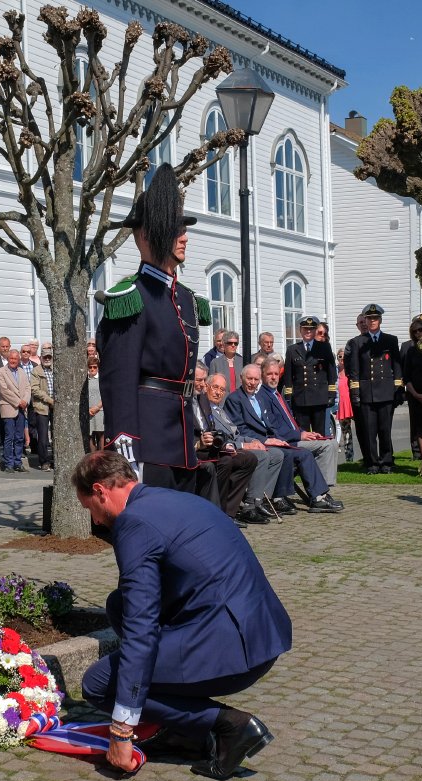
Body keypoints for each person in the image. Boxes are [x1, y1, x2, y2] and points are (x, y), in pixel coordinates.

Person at [74, 451, 291, 780]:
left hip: (231, 648)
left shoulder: (133, 524)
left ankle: (230, 726)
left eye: (90, 508)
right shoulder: (173, 499)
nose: (97, 521)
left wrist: (121, 730)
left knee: (99, 684)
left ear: (101, 491)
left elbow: (142, 628)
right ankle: (181, 727)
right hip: (261, 633)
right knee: (118, 604)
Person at [96, 164, 209, 492]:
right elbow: (119, 380)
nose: (184, 236)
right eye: (175, 230)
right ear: (146, 235)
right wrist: (125, 447)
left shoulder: (185, 298)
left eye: (184, 228)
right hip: (148, 443)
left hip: (183, 439)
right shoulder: (131, 297)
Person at [225, 365, 342, 514]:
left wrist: (279, 438)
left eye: (255, 379)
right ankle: (278, 498)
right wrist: (266, 440)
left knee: (301, 451)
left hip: (272, 439)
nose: (252, 382)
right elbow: (240, 429)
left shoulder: (258, 398)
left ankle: (318, 495)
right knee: (293, 454)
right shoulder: (235, 399)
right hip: (254, 442)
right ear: (241, 378)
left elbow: (271, 425)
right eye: (249, 379)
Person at [200, 370, 283, 523]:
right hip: (225, 450)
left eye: (222, 389)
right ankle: (251, 505)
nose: (218, 392)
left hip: (235, 444)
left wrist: (254, 441)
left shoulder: (220, 409)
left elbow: (235, 433)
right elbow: (221, 439)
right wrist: (245, 444)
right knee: (261, 456)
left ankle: (261, 498)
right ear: (207, 387)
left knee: (277, 454)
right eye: (215, 387)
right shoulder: (206, 410)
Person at [260, 359, 341, 498]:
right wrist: (299, 435)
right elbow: (273, 429)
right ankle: (321, 493)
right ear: (262, 375)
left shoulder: (277, 394)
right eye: (269, 374)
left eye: (276, 374)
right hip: (287, 442)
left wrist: (304, 432)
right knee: (327, 446)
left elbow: (291, 422)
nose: (273, 377)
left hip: (295, 437)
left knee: (332, 442)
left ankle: (324, 489)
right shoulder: (263, 396)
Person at [345, 304, 404, 474]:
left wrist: (398, 389)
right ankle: (372, 463)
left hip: (386, 392)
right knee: (369, 431)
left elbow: (397, 366)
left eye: (375, 318)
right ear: (365, 320)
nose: (372, 321)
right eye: (369, 318)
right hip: (367, 393)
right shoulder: (357, 342)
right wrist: (355, 393)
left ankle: (386, 461)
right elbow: (354, 371)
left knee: (385, 430)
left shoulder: (390, 340)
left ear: (380, 320)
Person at [281, 315, 337, 437]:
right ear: (300, 330)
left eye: (311, 329)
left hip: (319, 398)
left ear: (315, 330)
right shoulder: (292, 350)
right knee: (303, 435)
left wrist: (331, 394)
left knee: (319, 435)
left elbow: (332, 373)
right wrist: (289, 396)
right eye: (305, 329)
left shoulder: (324, 347)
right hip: (301, 398)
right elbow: (288, 376)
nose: (308, 331)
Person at [0, 349, 31, 472]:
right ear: (8, 359)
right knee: (9, 437)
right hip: (9, 407)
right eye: (11, 358)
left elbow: (28, 388)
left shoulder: (22, 371)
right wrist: (19, 402)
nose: (13, 361)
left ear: (18, 359)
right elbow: (4, 391)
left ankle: (18, 463)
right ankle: (8, 464)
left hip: (21, 408)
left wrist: (25, 400)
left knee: (19, 437)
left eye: (15, 359)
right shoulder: (1, 372)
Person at [401, 315, 422, 461]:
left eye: (420, 330)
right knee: (419, 427)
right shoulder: (411, 350)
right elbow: (406, 376)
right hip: (415, 394)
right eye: (415, 331)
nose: (418, 333)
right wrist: (416, 394)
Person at [30, 348, 56, 471]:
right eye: (45, 357)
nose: (47, 359)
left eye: (49, 357)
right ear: (41, 357)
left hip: (56, 407)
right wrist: (49, 400)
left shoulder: (55, 369)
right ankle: (44, 461)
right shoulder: (36, 371)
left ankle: (55, 459)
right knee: (43, 436)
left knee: (56, 435)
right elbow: (34, 389)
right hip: (42, 407)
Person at [81, 354, 105, 452]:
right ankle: (93, 456)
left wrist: (97, 407)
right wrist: (87, 409)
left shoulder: (101, 380)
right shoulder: (85, 380)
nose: (92, 369)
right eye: (90, 367)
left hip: (100, 410)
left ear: (98, 367)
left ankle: (101, 455)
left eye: (94, 367)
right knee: (90, 435)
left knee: (101, 435)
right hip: (88, 411)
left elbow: (105, 395)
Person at [336, 348, 355, 462]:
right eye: (340, 356)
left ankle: (363, 457)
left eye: (344, 357)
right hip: (340, 406)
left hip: (351, 405)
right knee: (345, 433)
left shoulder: (351, 371)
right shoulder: (335, 371)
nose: (342, 359)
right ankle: (349, 458)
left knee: (358, 431)